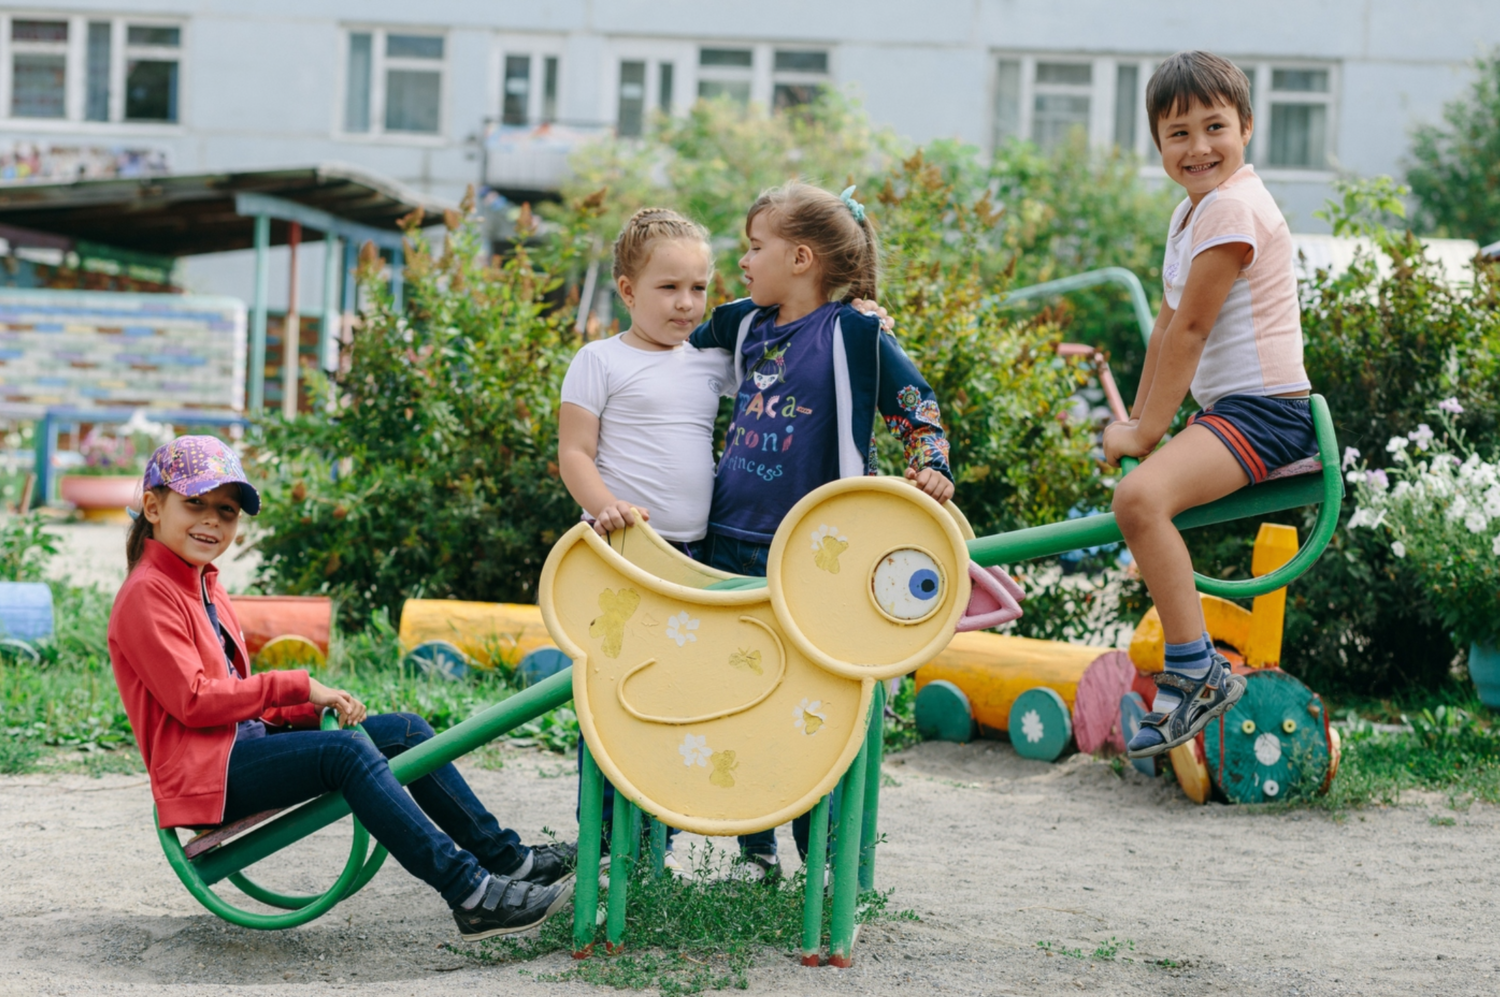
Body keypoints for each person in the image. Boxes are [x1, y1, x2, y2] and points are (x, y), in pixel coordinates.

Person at [108, 436, 575, 941]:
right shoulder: (147, 594)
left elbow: (234, 694)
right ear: (153, 507)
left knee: (406, 732)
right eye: (194, 503)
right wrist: (300, 686)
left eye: (226, 510)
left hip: (239, 750)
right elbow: (196, 702)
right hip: (207, 776)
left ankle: (512, 861)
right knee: (347, 753)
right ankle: (473, 895)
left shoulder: (203, 583)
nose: (212, 521)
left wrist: (301, 712)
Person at [690, 181, 954, 878]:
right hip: (729, 541)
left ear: (801, 256)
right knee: (743, 694)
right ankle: (756, 849)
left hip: (814, 554)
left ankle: (828, 857)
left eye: (755, 246)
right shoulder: (742, 323)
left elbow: (915, 401)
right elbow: (674, 337)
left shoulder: (855, 332)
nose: (743, 261)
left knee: (812, 704)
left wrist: (929, 463)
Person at [1103, 51, 1317, 758]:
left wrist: (1148, 432)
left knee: (1137, 501)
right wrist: (1139, 425)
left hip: (1267, 412)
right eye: (1177, 134)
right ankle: (1193, 663)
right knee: (1140, 499)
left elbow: (1193, 330)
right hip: (1233, 412)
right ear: (1158, 145)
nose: (1198, 148)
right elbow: (1165, 328)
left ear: (1247, 127)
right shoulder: (1191, 213)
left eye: (1214, 127)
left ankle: (1196, 669)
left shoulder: (1233, 207)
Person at [557, 207, 729, 873]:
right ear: (628, 290)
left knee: (676, 698)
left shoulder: (712, 364)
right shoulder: (598, 360)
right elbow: (575, 453)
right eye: (668, 288)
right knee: (610, 698)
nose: (686, 304)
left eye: (698, 288)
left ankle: (657, 840)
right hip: (622, 558)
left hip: (694, 560)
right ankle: (600, 842)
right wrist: (604, 509)